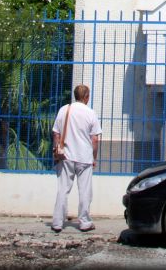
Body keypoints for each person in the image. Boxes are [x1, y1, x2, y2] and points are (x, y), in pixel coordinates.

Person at [51, 84, 102, 233]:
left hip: (66, 155)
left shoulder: (64, 110)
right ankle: (85, 222)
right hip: (84, 157)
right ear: (87, 97)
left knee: (63, 189)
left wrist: (58, 149)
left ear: (75, 95)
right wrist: (94, 157)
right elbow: (95, 140)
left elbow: (56, 133)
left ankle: (57, 222)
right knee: (85, 191)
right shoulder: (90, 113)